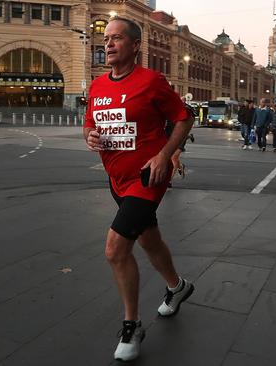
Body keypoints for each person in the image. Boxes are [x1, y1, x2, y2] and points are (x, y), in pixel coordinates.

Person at [84, 17, 195, 362]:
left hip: (147, 178)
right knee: (149, 240)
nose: (109, 44)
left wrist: (165, 155)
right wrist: (89, 135)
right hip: (116, 179)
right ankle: (178, 287)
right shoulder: (98, 86)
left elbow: (184, 116)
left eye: (117, 38)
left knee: (116, 250)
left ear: (135, 46)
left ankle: (132, 325)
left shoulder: (151, 81)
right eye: (106, 39)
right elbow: (90, 122)